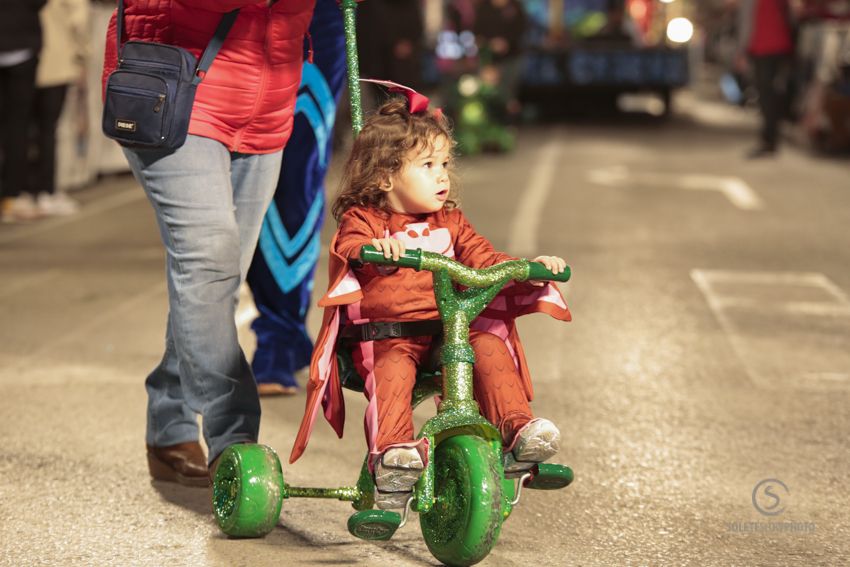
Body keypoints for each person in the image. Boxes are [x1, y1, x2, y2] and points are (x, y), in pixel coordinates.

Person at [288, 93, 572, 509]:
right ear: (385, 177)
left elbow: (485, 258)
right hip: (385, 337)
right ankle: (393, 458)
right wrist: (375, 253)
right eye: (428, 166)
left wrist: (528, 268)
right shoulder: (365, 219)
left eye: (444, 165)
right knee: (394, 375)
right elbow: (349, 246)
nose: (443, 177)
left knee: (490, 348)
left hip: (445, 332)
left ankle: (518, 434)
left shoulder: (451, 222)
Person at [101, 0, 316, 487]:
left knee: (219, 278)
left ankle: (168, 420)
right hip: (178, 90)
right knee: (209, 260)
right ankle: (235, 442)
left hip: (268, 103)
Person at [246, 0, 347, 397]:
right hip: (224, 25)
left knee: (294, 180)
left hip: (313, 25)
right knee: (239, 182)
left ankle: (278, 334)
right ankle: (279, 335)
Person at [24, 0, 90, 217]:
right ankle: (47, 191)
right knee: (48, 130)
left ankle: (23, 190)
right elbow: (79, 20)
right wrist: (82, 54)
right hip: (57, 61)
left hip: (24, 58)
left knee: (21, 128)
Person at [0, 0, 46, 223]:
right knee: (17, 126)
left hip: (21, 46)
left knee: (15, 126)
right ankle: (11, 195)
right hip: (21, 45)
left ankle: (11, 195)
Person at [737, 0, 796, 158]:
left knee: (767, 96)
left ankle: (769, 140)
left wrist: (742, 51)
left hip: (763, 48)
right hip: (781, 47)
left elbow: (746, 23)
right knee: (774, 94)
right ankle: (771, 138)